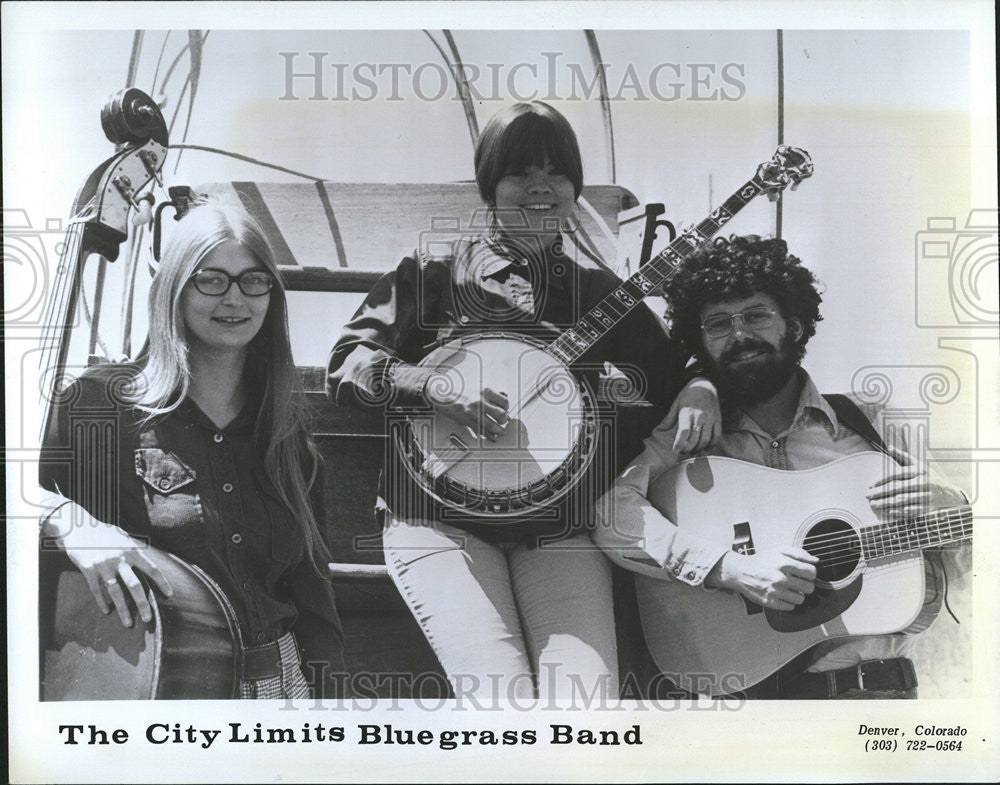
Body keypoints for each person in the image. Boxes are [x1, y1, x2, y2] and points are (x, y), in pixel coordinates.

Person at [328, 100, 720, 701]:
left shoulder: (598, 292)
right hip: (438, 518)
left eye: (557, 173)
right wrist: (432, 385)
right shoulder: (435, 271)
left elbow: (673, 367)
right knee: (499, 700)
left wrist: (701, 384)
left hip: (557, 526)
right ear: (491, 185)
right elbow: (348, 362)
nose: (541, 187)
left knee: (586, 708)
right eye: (520, 173)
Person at [594, 234, 969, 699]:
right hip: (749, 711)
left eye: (756, 316)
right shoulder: (691, 434)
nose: (740, 336)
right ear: (700, 342)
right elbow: (612, 516)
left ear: (793, 324)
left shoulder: (871, 421)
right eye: (717, 324)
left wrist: (959, 510)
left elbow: (967, 552)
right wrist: (726, 569)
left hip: (875, 701)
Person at [39, 198, 345, 700]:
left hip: (281, 691)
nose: (234, 299)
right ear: (175, 289)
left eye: (253, 280)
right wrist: (73, 524)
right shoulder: (98, 405)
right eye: (211, 278)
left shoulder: (290, 441)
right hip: (154, 691)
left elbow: (316, 606)